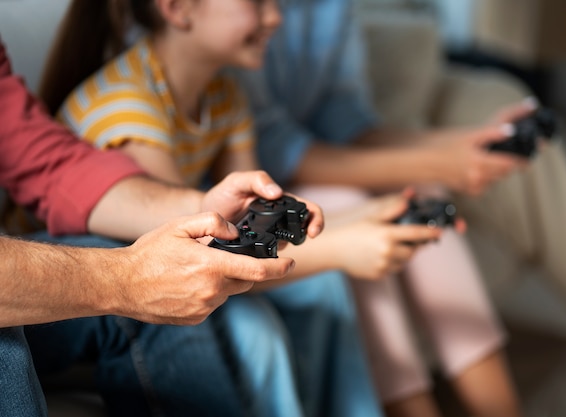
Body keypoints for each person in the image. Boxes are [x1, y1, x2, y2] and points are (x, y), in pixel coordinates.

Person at [19, 1, 387, 416]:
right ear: (178, 9)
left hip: (178, 248)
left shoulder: (225, 95)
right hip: (112, 268)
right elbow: (193, 257)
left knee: (323, 287)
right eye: (257, 3)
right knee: (255, 330)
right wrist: (344, 248)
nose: (276, 17)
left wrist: (369, 218)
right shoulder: (128, 109)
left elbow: (251, 219)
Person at [231, 1, 532, 417]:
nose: (275, 18)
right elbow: (274, 149)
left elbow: (349, 122)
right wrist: (438, 163)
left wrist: (460, 146)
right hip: (271, 182)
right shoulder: (233, 29)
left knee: (418, 193)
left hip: (304, 166)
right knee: (348, 206)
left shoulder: (331, 10)